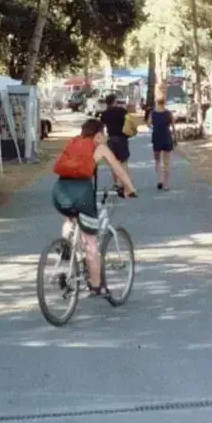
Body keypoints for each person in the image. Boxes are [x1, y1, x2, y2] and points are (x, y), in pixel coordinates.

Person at [51, 119, 137, 296]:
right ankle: (97, 286)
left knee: (70, 217)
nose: (105, 138)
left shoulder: (73, 143)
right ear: (97, 135)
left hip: (60, 191)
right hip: (81, 194)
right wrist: (130, 188)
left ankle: (67, 247)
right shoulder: (100, 148)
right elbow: (118, 169)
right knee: (91, 241)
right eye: (103, 134)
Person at [147, 97, 176, 190]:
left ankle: (160, 180)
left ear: (157, 102)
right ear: (164, 103)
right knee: (166, 162)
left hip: (156, 137)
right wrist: (175, 138)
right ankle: (166, 185)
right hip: (166, 137)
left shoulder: (152, 113)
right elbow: (173, 127)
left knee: (157, 160)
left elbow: (148, 124)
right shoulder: (169, 113)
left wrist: (154, 128)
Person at [100, 94, 131, 167]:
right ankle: (124, 173)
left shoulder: (105, 113)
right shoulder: (122, 111)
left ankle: (116, 174)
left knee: (114, 161)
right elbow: (130, 122)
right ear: (114, 102)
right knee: (124, 160)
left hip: (111, 138)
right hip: (122, 138)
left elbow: (101, 127)